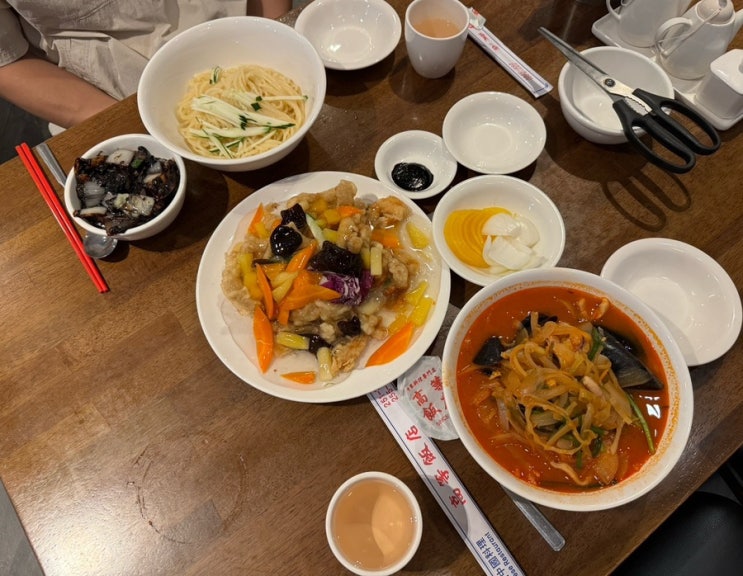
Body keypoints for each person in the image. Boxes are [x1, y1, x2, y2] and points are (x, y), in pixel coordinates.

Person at [0, 0, 292, 129]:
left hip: (251, 31)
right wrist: (124, 122)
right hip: (114, 93)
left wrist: (277, 35)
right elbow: (8, 61)